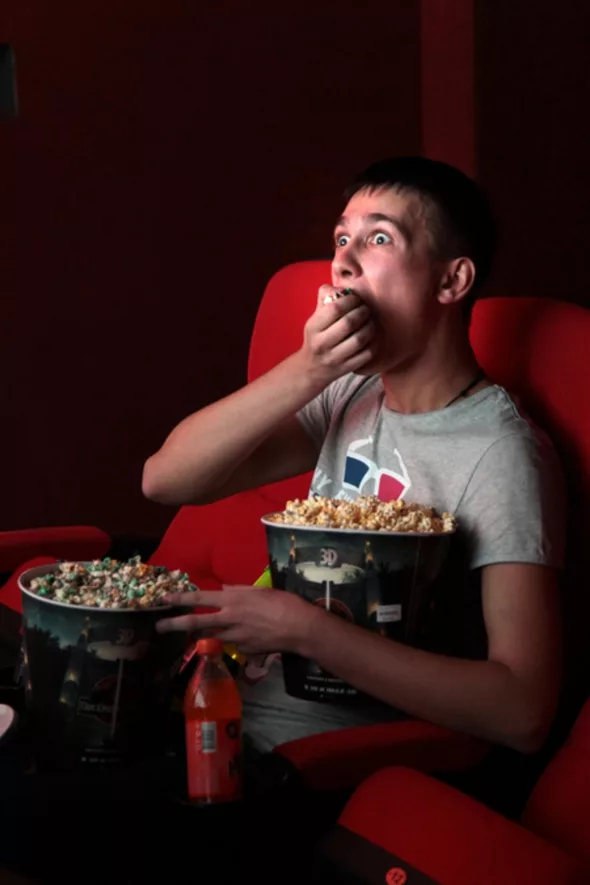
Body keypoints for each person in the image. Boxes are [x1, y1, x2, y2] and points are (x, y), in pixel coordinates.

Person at [142, 156, 565, 759]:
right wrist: (309, 369)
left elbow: (522, 711)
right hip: (227, 708)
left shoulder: (501, 454)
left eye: (379, 238)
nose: (343, 260)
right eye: (342, 239)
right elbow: (165, 480)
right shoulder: (350, 393)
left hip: (322, 759)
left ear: (452, 281)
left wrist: (304, 630)